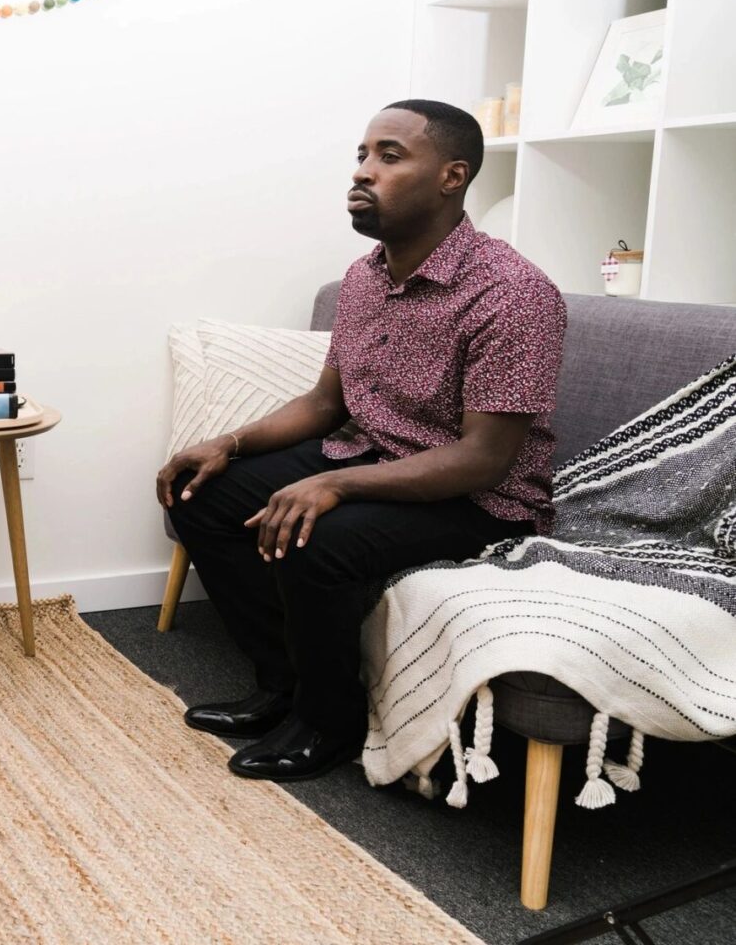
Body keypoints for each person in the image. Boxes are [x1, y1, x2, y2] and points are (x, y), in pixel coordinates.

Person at [157, 100, 566, 783]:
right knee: (202, 496)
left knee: (318, 537)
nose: (363, 172)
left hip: (476, 496)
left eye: (389, 156)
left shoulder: (514, 294)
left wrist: (334, 484)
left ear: (452, 176)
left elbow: (482, 459)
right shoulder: (364, 277)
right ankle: (281, 684)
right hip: (372, 455)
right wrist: (229, 441)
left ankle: (331, 724)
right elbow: (326, 404)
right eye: (361, 155)